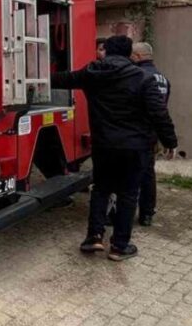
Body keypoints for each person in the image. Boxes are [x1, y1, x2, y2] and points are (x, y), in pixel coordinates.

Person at [52, 35, 177, 261]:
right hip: (135, 147)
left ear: (106, 51)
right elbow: (159, 113)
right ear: (130, 54)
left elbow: (62, 79)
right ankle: (119, 246)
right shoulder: (142, 78)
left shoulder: (92, 73)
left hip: (104, 146)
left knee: (101, 189)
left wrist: (27, 77)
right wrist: (170, 141)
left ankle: (94, 237)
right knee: (128, 194)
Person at [131, 41, 170, 226]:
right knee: (148, 174)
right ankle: (147, 214)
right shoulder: (163, 78)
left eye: (132, 55)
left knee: (129, 175)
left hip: (135, 132)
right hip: (152, 134)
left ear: (138, 56)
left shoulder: (138, 76)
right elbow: (162, 110)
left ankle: (122, 214)